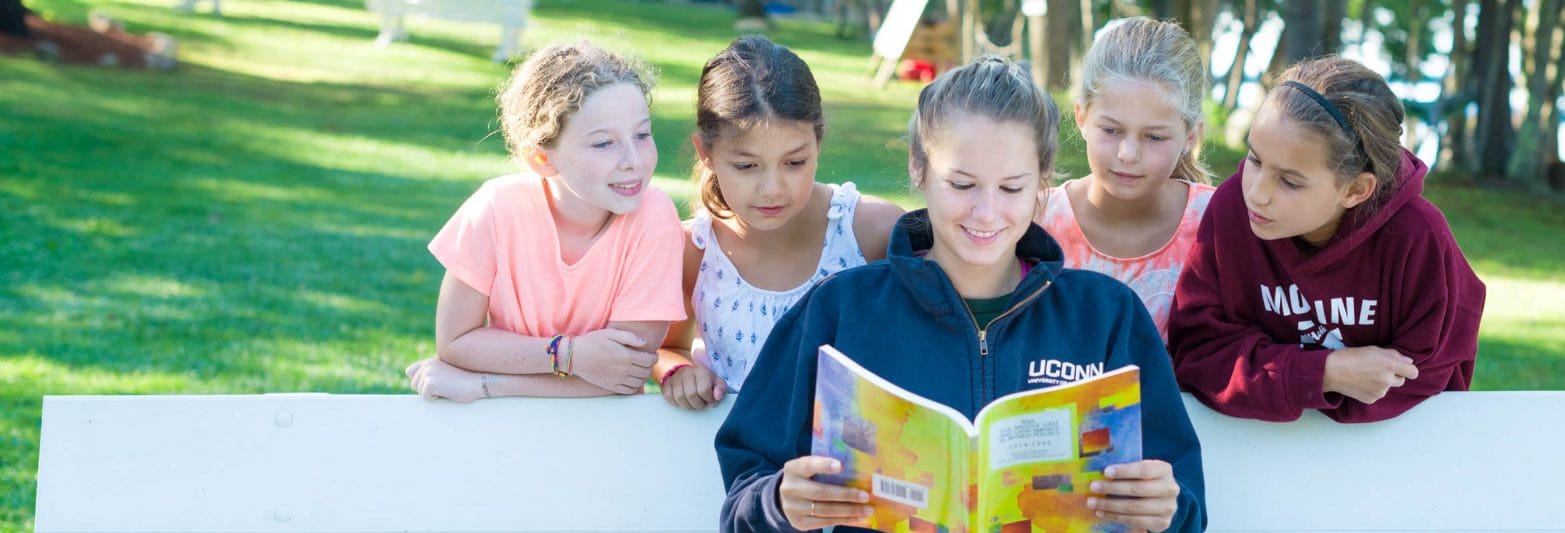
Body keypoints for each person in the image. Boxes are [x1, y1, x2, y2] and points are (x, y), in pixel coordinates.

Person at [715, 56, 1206, 532]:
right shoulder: (840, 312)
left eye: (1012, 189)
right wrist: (779, 502)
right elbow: (743, 496)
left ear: (1042, 183)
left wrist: (1169, 509)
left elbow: (1186, 504)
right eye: (962, 184)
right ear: (918, 167)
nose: (986, 213)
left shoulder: (1107, 318)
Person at [1168, 56, 1485, 423]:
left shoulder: (1418, 237)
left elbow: (1429, 377)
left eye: (1289, 181)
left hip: (1392, 453)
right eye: (1254, 160)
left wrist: (1278, 385)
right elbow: (1198, 354)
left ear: (1356, 189)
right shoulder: (1231, 210)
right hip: (1253, 447)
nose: (1257, 193)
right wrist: (1323, 374)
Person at [405, 41, 684, 403]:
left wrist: (484, 385)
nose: (635, 160)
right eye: (603, 144)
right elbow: (457, 343)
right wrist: (573, 355)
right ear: (541, 158)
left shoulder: (654, 217)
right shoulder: (495, 208)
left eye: (643, 134)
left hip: (604, 431)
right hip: (498, 430)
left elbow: (623, 376)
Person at [653, 35, 904, 410]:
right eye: (746, 166)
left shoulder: (871, 232)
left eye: (795, 162)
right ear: (705, 153)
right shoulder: (694, 248)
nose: (772, 188)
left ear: (818, 143)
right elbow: (666, 347)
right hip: (728, 459)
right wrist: (679, 371)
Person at [1038, 17, 1215, 340]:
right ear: (1082, 117)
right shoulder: (1037, 218)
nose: (1128, 153)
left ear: (1191, 135)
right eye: (1111, 130)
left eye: (1155, 137)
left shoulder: (1217, 221)